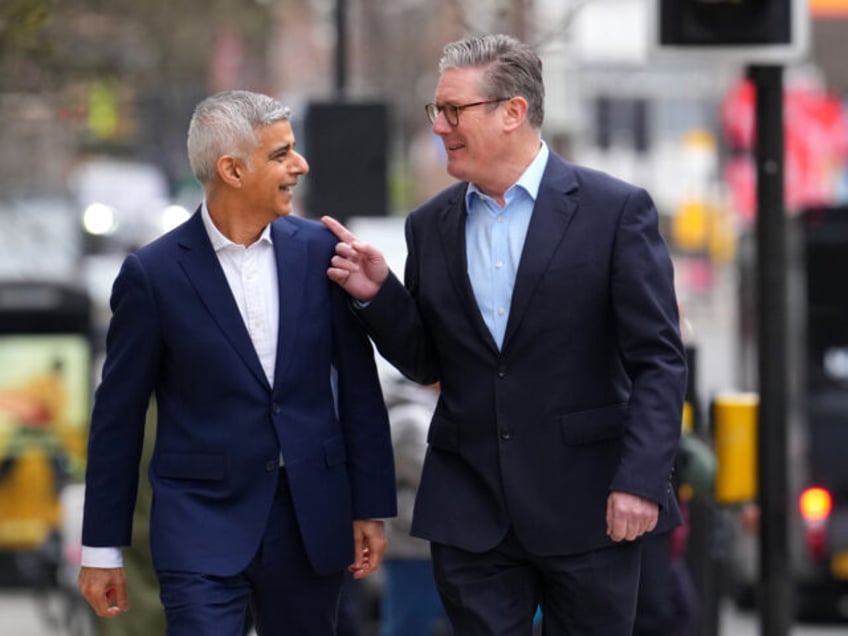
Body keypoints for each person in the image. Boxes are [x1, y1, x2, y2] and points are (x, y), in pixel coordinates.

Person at [322, 34, 687, 635]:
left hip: (591, 505)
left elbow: (659, 360)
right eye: (435, 111)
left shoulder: (615, 211)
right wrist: (380, 295)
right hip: (472, 510)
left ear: (513, 111)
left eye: (453, 111)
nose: (439, 127)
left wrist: (641, 481)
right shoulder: (430, 225)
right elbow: (428, 361)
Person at [77, 89, 397, 636]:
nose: (300, 165)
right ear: (231, 169)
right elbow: (117, 419)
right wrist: (101, 548)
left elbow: (360, 388)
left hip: (311, 520)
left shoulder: (323, 252)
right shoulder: (152, 276)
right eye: (281, 154)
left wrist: (369, 506)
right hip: (199, 525)